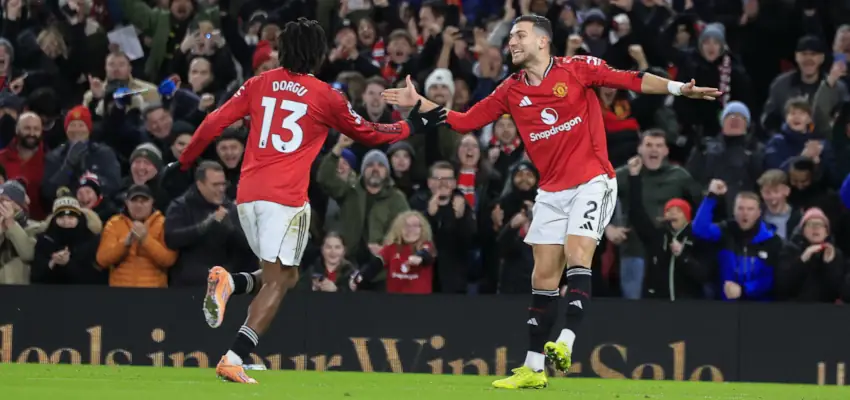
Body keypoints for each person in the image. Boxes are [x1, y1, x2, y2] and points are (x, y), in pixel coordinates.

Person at [382, 14, 720, 389]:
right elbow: (465, 122)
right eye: (511, 37)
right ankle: (533, 367)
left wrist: (678, 89)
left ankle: (566, 341)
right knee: (542, 276)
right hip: (551, 191)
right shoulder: (510, 89)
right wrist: (420, 103)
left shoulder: (577, 69)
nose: (511, 42)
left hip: (593, 181)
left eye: (519, 35)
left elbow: (632, 79)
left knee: (577, 252)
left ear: (542, 41)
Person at [170, 18, 447, 384]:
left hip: (247, 197)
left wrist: (185, 161)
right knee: (278, 282)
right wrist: (413, 125)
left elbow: (212, 122)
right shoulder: (325, 95)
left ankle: (231, 285)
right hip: (285, 200)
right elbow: (370, 133)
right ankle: (234, 358)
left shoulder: (258, 83)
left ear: (283, 51)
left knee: (287, 275)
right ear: (318, 54)